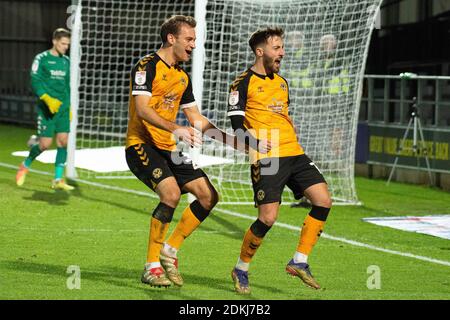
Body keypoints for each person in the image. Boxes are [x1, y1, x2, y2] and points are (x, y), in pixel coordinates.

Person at [125, 15, 239, 288]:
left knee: (208, 196)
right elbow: (142, 109)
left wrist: (234, 141)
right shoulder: (146, 66)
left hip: (169, 148)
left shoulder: (181, 76)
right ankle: (152, 267)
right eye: (189, 39)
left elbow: (196, 119)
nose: (193, 45)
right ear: (171, 38)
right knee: (171, 194)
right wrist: (176, 128)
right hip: (141, 144)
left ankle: (170, 250)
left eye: (194, 40)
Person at [227, 27, 332, 294]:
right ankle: (241, 268)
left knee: (322, 200)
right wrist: (256, 144)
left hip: (294, 153)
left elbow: (285, 116)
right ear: (260, 51)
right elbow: (237, 126)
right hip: (267, 157)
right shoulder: (242, 83)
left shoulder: (282, 82)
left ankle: (299, 261)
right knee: (268, 218)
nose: (282, 53)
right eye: (277, 48)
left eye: (282, 47)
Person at [16, 28, 74, 191]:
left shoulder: (66, 61)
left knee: (63, 142)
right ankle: (25, 165)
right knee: (44, 145)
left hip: (62, 108)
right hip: (47, 109)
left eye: (67, 45)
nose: (65, 47)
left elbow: (67, 85)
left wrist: (68, 106)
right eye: (63, 44)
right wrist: (47, 98)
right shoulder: (41, 59)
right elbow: (35, 81)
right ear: (54, 41)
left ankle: (57, 179)